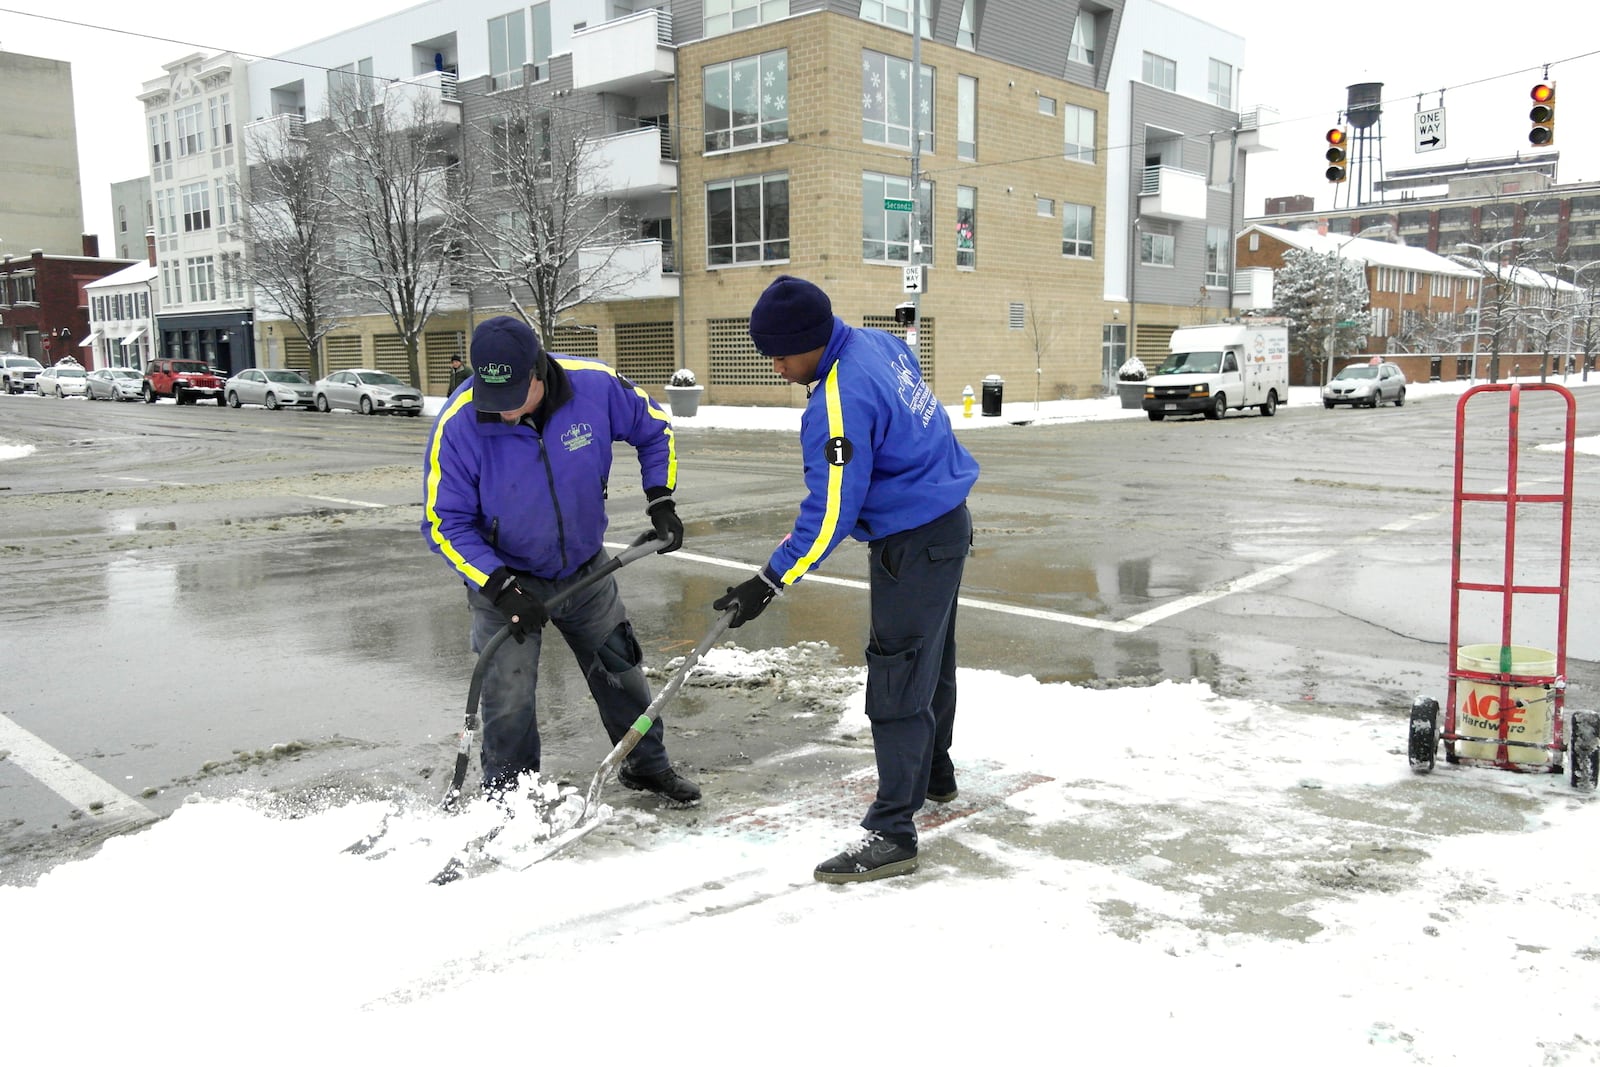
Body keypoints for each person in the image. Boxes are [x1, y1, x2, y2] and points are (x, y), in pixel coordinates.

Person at [713, 275, 979, 883]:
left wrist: (768, 580)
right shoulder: (879, 343)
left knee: (896, 678)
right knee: (929, 663)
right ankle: (933, 775)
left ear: (811, 340)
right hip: (945, 524)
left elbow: (832, 511)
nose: (775, 367)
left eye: (780, 355)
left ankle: (892, 833)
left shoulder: (837, 401)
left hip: (911, 543)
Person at [422, 315, 699, 805]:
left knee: (622, 674)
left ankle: (646, 766)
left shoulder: (594, 387)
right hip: (504, 579)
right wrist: (501, 587)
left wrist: (661, 499)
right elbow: (445, 523)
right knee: (508, 698)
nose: (505, 415)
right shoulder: (459, 422)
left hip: (586, 569)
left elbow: (654, 429)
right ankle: (509, 798)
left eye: (513, 402)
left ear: (538, 372)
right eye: (494, 402)